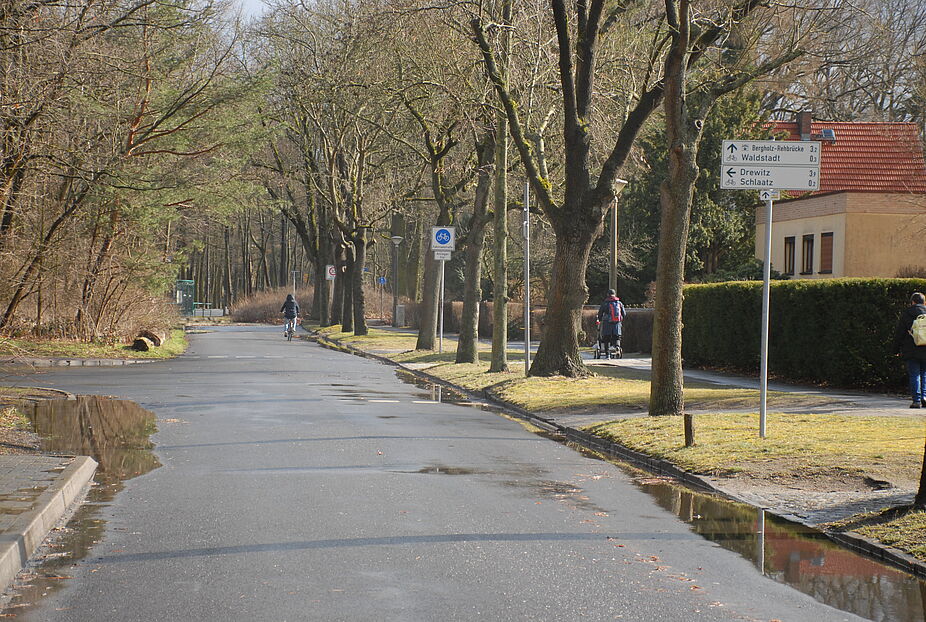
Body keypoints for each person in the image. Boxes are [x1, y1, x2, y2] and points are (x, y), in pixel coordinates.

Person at [893, 292, 926, 408]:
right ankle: (924, 397)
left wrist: (895, 349)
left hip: (911, 349)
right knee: (924, 374)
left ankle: (916, 400)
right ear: (924, 302)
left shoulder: (907, 313)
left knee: (914, 374)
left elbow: (900, 333)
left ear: (912, 302)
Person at [597, 289, 625, 358]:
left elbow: (600, 313)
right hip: (617, 323)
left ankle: (607, 354)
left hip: (607, 322)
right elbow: (624, 313)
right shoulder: (619, 303)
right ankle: (617, 347)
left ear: (608, 295)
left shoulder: (605, 303)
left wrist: (600, 320)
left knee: (606, 338)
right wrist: (620, 319)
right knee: (617, 336)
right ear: (614, 294)